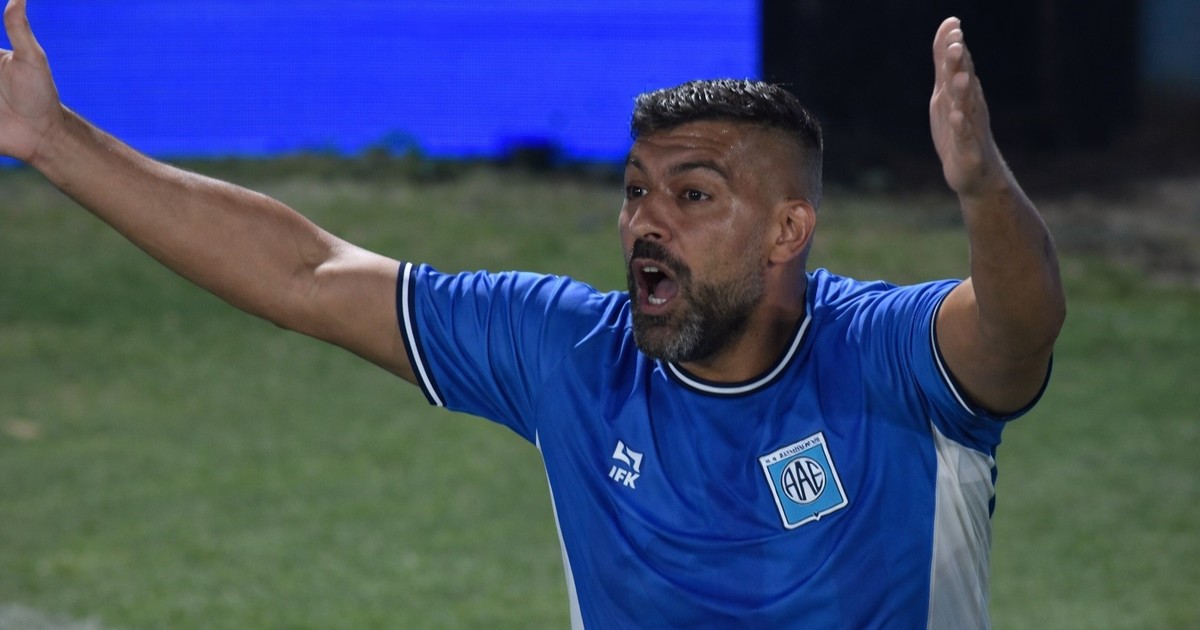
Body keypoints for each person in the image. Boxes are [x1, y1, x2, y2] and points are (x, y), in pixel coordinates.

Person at [0, 1, 1066, 627]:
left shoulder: (885, 355)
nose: (646, 222)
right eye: (636, 191)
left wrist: (981, 188)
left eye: (693, 196)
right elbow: (307, 273)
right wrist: (54, 141)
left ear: (789, 230)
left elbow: (1020, 326)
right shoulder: (571, 356)